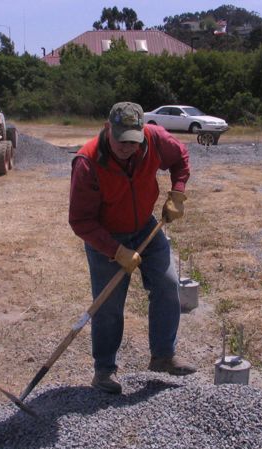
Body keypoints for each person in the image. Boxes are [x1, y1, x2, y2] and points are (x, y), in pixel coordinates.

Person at [69, 101, 196, 394]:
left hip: (145, 228)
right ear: (107, 130)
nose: (128, 147)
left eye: (133, 141)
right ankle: (104, 370)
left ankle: (163, 356)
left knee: (167, 285)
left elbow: (180, 157)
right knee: (109, 305)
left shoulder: (153, 139)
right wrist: (116, 251)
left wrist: (178, 192)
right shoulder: (87, 162)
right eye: (121, 140)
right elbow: (80, 221)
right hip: (107, 237)